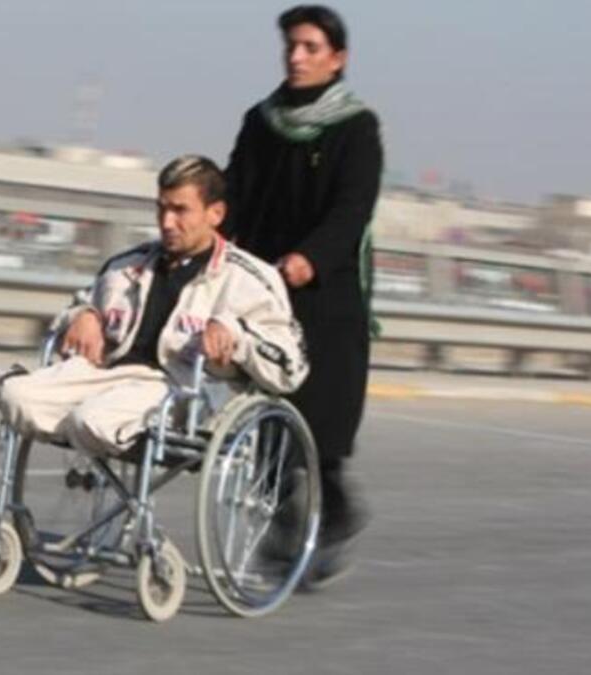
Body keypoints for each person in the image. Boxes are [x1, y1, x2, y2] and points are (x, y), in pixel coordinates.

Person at [221, 5, 383, 586]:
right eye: (292, 45)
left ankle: (327, 520)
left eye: (311, 47)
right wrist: (209, 232)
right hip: (263, 292)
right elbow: (234, 192)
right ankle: (293, 531)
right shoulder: (260, 121)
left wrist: (309, 258)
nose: (297, 56)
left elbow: (352, 210)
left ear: (337, 58)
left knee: (317, 431)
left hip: (326, 300)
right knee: (266, 418)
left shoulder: (356, 128)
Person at [0, 155, 306, 457]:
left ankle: (93, 428)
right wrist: (84, 315)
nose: (167, 222)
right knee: (16, 395)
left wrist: (237, 335)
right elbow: (76, 308)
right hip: (108, 375)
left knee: (92, 419)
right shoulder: (126, 266)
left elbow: (291, 367)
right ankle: (88, 430)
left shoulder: (251, 279)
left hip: (181, 391)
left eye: (180, 210)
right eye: (161, 209)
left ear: (216, 214)